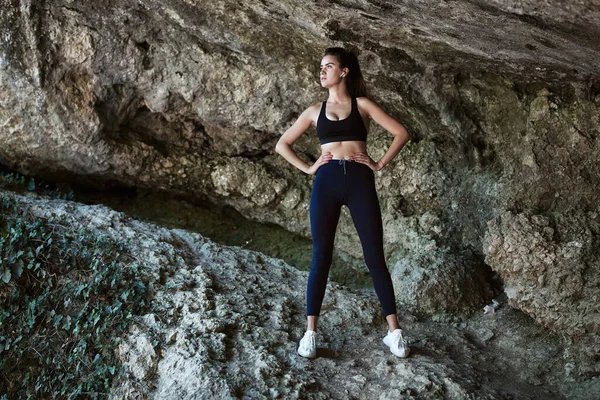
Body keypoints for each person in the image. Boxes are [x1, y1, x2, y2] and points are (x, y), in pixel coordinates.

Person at [275, 47, 412, 359]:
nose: (322, 72)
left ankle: (394, 333)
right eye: (321, 67)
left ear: (344, 71)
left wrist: (378, 163)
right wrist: (309, 167)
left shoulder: (361, 104)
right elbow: (282, 144)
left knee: (374, 255)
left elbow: (401, 133)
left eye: (329, 66)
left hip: (360, 181)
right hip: (326, 182)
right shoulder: (313, 111)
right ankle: (310, 334)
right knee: (320, 256)